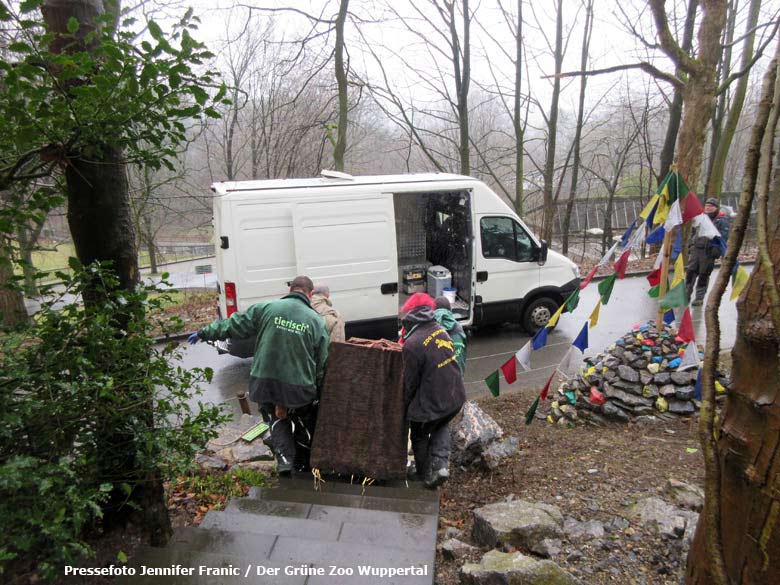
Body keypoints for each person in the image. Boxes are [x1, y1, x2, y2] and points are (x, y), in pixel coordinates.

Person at [188, 276, 329, 475]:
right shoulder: (316, 321)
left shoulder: (265, 309)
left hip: (265, 382)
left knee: (274, 417)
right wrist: (318, 388)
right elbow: (322, 361)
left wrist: (205, 333)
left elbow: (233, 324)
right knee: (302, 420)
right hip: (298, 386)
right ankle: (304, 463)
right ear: (311, 294)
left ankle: (284, 461)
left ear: (291, 291)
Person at [400, 292, 466, 489]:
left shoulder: (412, 344)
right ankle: (440, 465)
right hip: (455, 393)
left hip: (436, 396)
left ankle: (423, 473)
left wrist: (405, 406)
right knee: (441, 422)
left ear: (409, 318)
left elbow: (409, 383)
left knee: (419, 431)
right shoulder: (440, 329)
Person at [685, 197, 731, 306]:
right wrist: (691, 245)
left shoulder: (722, 220)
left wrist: (717, 249)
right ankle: (685, 295)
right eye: (707, 206)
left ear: (716, 208)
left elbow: (723, 236)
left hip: (709, 251)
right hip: (696, 249)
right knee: (690, 272)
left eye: (711, 206)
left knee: (703, 275)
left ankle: (699, 298)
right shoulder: (701, 218)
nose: (708, 208)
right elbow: (694, 232)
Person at [433, 296, 467, 374]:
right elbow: (462, 356)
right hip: (457, 378)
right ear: (450, 310)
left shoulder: (431, 328)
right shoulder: (458, 327)